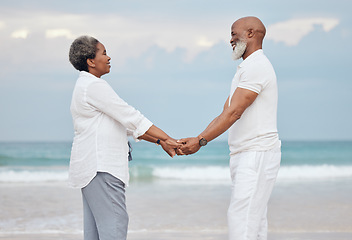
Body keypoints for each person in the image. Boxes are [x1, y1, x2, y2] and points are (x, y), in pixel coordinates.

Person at [177, 17, 281, 240]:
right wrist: (198, 138)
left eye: (234, 34)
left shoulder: (257, 67)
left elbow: (235, 113)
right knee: (253, 221)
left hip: (256, 154)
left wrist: (202, 141)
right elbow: (225, 112)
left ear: (251, 34)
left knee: (241, 220)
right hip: (246, 154)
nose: (230, 39)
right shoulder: (246, 68)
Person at [68, 35, 180, 240]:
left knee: (96, 231)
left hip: (92, 169)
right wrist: (169, 138)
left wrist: (159, 140)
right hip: (101, 167)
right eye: (103, 53)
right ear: (91, 61)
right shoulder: (94, 86)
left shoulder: (86, 86)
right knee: (115, 224)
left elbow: (125, 125)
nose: (109, 57)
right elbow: (131, 116)